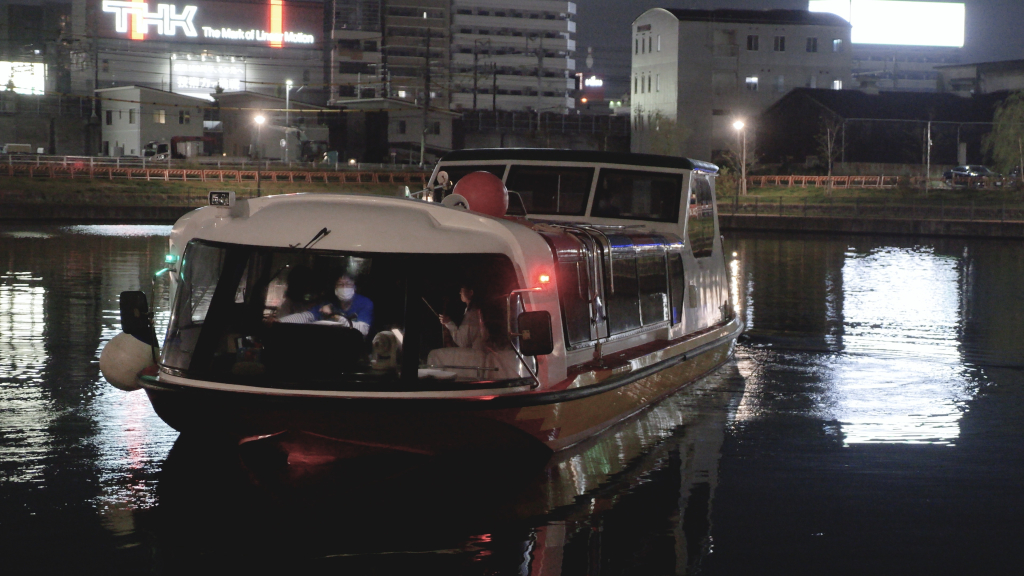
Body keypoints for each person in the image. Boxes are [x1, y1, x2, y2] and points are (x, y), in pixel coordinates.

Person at [438, 282, 486, 350]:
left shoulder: (472, 314)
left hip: (475, 356)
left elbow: (463, 341)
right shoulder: (474, 311)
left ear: (471, 292)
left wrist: (449, 323)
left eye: (462, 290)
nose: (460, 293)